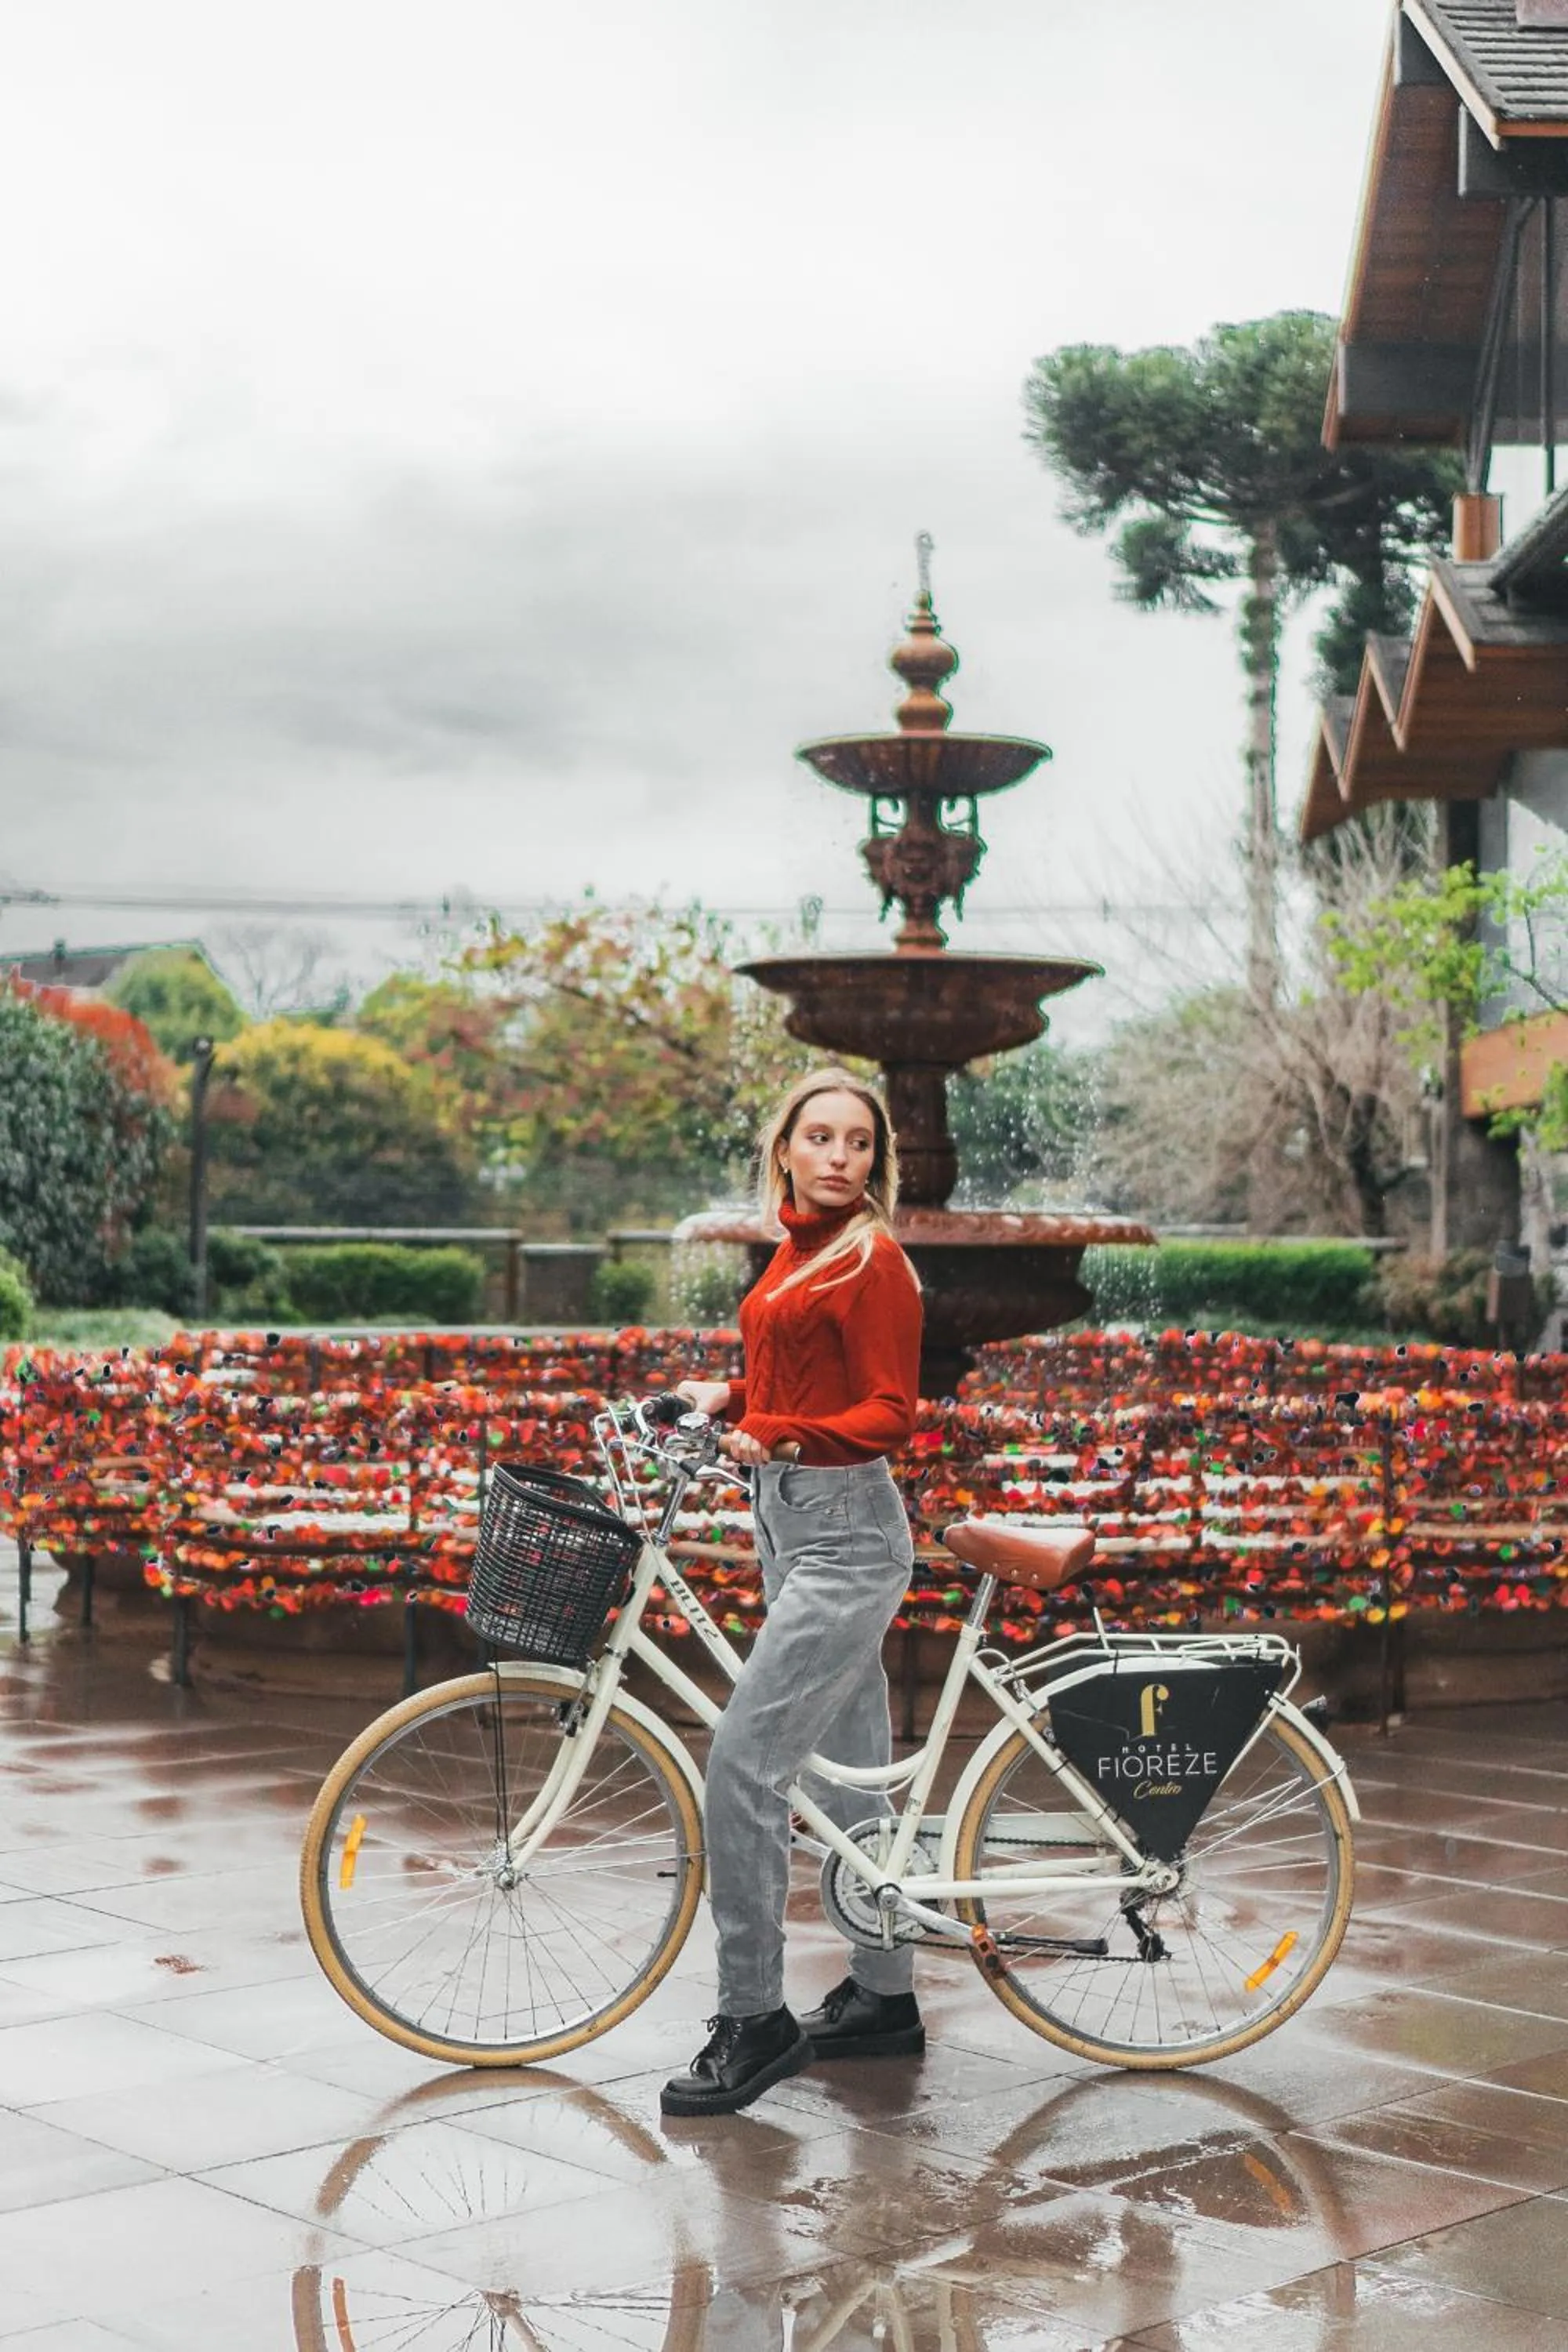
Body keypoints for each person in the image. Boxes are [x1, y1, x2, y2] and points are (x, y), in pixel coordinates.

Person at [660, 1066, 925, 2118]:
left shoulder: (875, 1261)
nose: (837, 1157)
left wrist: (786, 1432)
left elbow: (891, 1411)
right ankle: (885, 1996)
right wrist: (729, 1394)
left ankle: (754, 2019)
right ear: (786, 1149)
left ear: (876, 1160)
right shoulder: (797, 1251)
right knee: (854, 1772)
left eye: (858, 1143)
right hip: (793, 1521)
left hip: (848, 1536)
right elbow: (792, 1366)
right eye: (820, 1137)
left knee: (744, 1767)